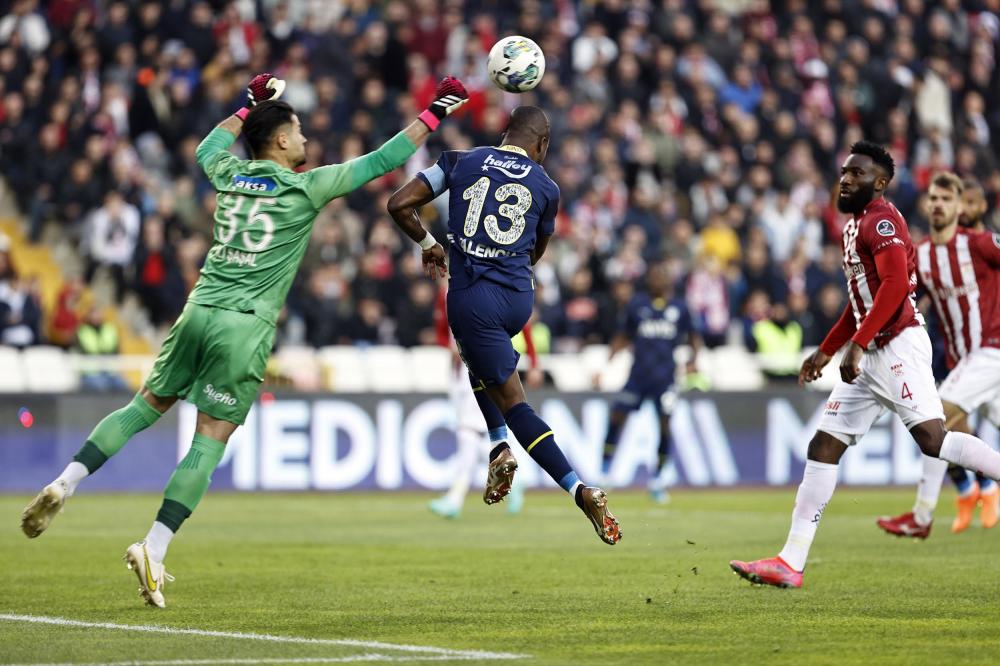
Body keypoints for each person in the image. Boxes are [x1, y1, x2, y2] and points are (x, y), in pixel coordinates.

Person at [20, 72, 470, 607]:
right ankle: (154, 548)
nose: (305, 138)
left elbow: (207, 148)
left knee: (144, 405)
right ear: (280, 140)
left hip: (198, 309)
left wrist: (247, 105)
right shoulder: (306, 187)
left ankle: (66, 481)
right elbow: (382, 160)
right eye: (298, 130)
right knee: (209, 439)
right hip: (244, 325)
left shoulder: (230, 174)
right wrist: (436, 110)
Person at [730, 142, 1000, 588]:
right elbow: (860, 302)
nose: (846, 179)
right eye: (844, 171)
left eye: (857, 174)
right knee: (824, 446)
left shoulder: (883, 221)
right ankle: (790, 563)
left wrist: (856, 345)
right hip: (871, 351)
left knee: (934, 440)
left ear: (880, 183)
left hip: (897, 346)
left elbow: (893, 288)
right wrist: (827, 349)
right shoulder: (855, 225)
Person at [387, 106, 621, 545]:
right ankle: (499, 449)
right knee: (480, 362)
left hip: (472, 299)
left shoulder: (460, 161)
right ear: (542, 145)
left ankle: (579, 489)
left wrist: (429, 243)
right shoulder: (548, 187)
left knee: (515, 405)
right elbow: (536, 251)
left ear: (504, 132)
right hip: (517, 299)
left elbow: (398, 204)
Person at [876, 173, 1000, 537]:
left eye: (947, 199)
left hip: (991, 351)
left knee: (936, 418)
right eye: (933, 198)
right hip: (962, 361)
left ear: (960, 207)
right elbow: (909, 297)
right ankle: (974, 490)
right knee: (952, 425)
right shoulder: (922, 254)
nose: (938, 205)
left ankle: (922, 515)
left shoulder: (980, 243)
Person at [427, 285, 538, 519]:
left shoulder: (481, 286)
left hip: (479, 362)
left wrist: (534, 362)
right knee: (473, 433)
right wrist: (449, 347)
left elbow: (522, 323)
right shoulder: (445, 294)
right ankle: (515, 479)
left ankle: (455, 498)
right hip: (457, 371)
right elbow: (441, 332)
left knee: (467, 431)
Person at [596, 261, 700, 503]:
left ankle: (658, 479)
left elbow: (694, 336)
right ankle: (604, 471)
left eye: (661, 276)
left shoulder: (680, 308)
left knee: (665, 425)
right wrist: (606, 364)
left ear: (669, 281)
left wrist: (693, 360)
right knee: (616, 418)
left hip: (666, 378)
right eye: (653, 276)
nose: (657, 280)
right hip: (638, 376)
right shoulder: (637, 305)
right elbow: (623, 336)